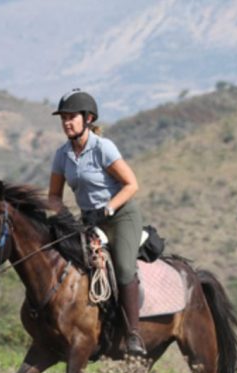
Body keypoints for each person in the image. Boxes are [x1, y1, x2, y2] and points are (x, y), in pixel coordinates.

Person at [48, 89, 146, 357]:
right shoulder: (61, 155)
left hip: (121, 216)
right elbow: (54, 197)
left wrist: (110, 208)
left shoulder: (103, 148)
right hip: (89, 220)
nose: (66, 123)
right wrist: (64, 219)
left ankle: (133, 334)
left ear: (88, 118)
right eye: (63, 118)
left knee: (124, 269)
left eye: (71, 117)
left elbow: (131, 184)